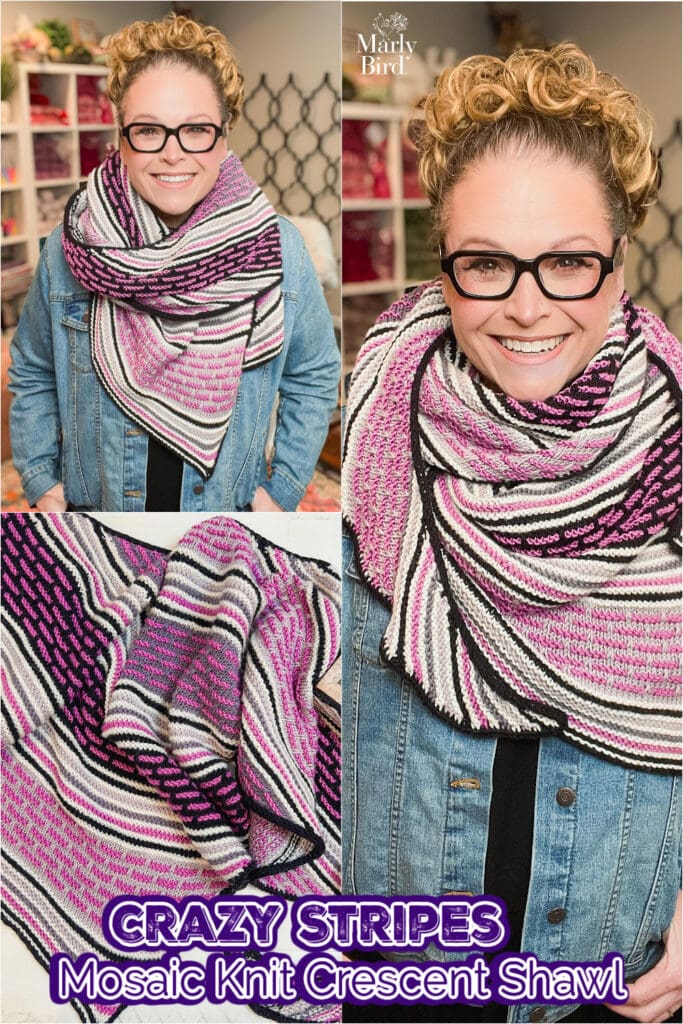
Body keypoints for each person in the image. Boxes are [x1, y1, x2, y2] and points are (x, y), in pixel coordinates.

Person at [342, 44, 681, 1024]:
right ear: (439, 258)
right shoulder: (374, 442)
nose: (526, 304)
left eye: (568, 261)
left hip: (613, 984)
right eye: (485, 261)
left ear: (618, 259)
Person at [9, 15, 340, 513]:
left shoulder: (277, 251)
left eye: (196, 130)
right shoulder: (68, 248)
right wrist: (40, 478)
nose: (172, 154)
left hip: (224, 527)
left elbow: (314, 373)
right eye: (148, 130)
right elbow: (33, 368)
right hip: (99, 523)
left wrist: (282, 490)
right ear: (120, 134)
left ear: (224, 133)